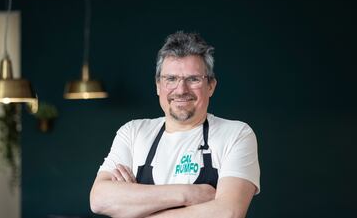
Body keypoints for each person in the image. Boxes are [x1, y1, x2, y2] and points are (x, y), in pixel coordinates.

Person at [90, 31, 260, 218]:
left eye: (193, 79)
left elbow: (229, 212)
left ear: (211, 86)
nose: (181, 90)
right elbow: (99, 199)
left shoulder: (236, 134)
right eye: (171, 79)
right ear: (157, 85)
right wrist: (190, 194)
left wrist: (134, 204)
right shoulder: (133, 133)